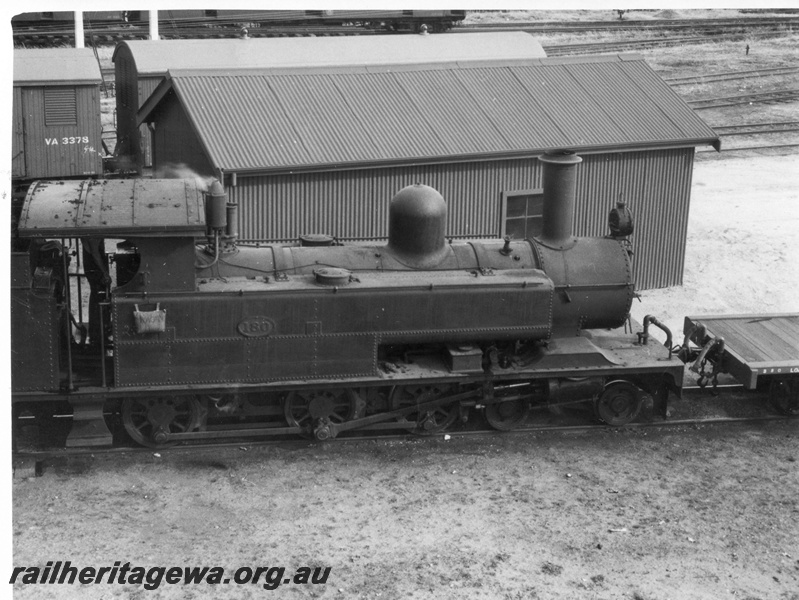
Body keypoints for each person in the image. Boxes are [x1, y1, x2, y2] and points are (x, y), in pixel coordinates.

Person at [82, 237, 112, 348]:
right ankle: (98, 337)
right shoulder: (92, 235)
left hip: (93, 268)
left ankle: (97, 334)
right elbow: (95, 254)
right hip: (95, 269)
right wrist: (105, 273)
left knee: (97, 299)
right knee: (99, 301)